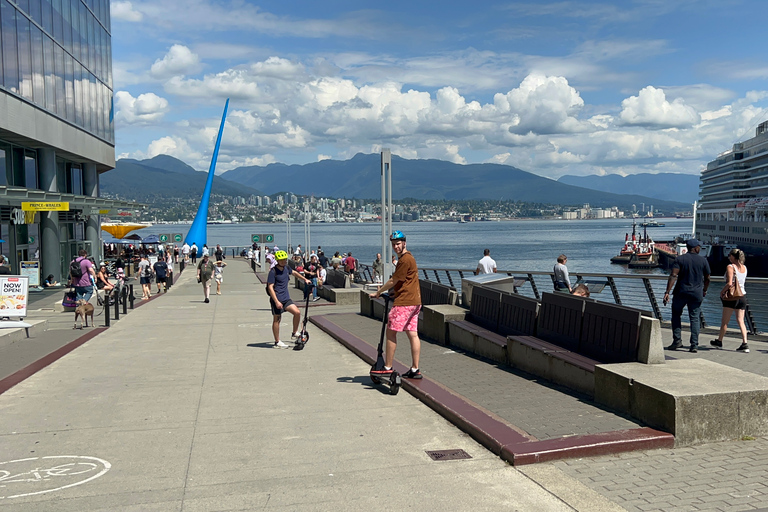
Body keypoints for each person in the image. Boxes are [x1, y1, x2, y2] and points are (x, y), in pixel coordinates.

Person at [369, 230, 423, 379]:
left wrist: (379, 292)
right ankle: (415, 369)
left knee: (391, 331)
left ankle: (387, 366)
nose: (396, 247)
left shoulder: (405, 260)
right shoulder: (410, 258)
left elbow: (394, 280)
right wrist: (395, 292)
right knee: (412, 333)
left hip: (405, 303)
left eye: (398, 244)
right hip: (415, 301)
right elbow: (406, 281)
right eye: (393, 244)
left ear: (404, 243)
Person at [664, 239, 711, 353]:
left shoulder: (680, 259)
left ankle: (677, 341)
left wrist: (667, 292)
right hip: (696, 293)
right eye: (699, 246)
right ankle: (694, 345)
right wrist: (704, 290)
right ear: (695, 248)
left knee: (676, 315)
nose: (699, 248)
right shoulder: (703, 260)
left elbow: (673, 275)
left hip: (681, 292)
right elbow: (708, 278)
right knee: (694, 318)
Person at [267, 250, 312, 348]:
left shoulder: (286, 268)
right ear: (278, 261)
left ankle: (294, 332)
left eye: (285, 259)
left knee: (297, 312)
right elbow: (270, 287)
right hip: (277, 299)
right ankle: (277, 342)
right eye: (282, 260)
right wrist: (276, 301)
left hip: (286, 298)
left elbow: (295, 273)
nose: (284, 261)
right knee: (277, 319)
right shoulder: (273, 272)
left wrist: (305, 279)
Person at [711, 248, 749, 353]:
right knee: (741, 321)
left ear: (733, 256)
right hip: (742, 296)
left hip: (731, 297)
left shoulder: (730, 267)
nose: (728, 257)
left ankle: (719, 341)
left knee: (725, 321)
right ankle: (745, 344)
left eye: (729, 255)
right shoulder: (744, 267)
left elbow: (729, 283)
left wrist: (722, 292)